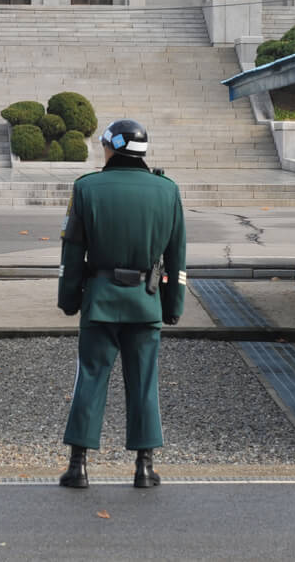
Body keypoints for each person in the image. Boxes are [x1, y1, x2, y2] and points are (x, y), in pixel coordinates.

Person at [56, 119, 186, 488]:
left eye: (104, 144)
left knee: (91, 378)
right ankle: (144, 467)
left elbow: (73, 252)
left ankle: (78, 465)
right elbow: (178, 258)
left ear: (114, 146)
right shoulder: (167, 191)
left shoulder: (87, 189)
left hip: (100, 300)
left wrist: (69, 299)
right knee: (144, 383)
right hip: (146, 303)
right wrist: (172, 304)